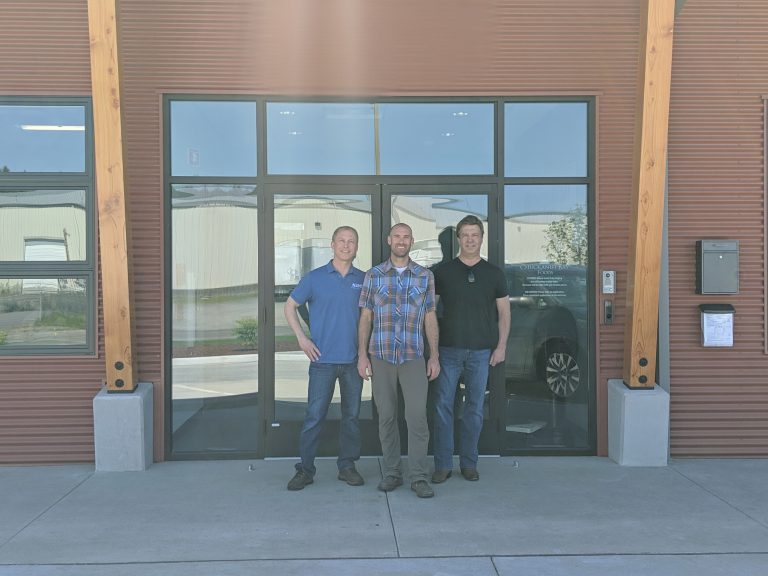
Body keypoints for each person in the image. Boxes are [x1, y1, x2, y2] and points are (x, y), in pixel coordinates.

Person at [358, 223, 440, 499]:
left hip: (413, 356)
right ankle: (392, 473)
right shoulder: (374, 275)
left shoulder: (424, 276)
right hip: (380, 356)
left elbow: (430, 317)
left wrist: (434, 356)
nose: (401, 241)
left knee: (417, 417)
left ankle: (418, 476)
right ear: (389, 239)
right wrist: (361, 356)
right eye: (397, 236)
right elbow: (366, 318)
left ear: (412, 241)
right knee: (387, 417)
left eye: (406, 237)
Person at [285, 226, 366, 491]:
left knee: (351, 417)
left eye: (351, 241)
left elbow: (370, 319)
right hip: (322, 362)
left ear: (356, 246)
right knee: (314, 416)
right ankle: (305, 470)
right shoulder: (315, 278)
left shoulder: (363, 279)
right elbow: (290, 306)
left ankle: (347, 467)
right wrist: (302, 338)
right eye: (341, 240)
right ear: (332, 245)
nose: (346, 245)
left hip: (353, 362)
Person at [431, 215, 510, 483]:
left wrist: (501, 347)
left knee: (474, 409)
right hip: (448, 351)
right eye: (465, 235)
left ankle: (469, 463)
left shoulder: (494, 274)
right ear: (458, 239)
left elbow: (505, 313)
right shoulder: (442, 272)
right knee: (443, 407)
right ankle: (443, 465)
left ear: (482, 238)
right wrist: (431, 350)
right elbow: (430, 311)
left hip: (481, 353)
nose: (470, 239)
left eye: (474, 235)